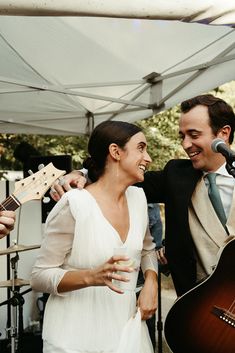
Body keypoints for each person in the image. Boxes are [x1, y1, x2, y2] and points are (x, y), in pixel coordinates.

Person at [50, 94, 235, 298]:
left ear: (223, 133)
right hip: (201, 309)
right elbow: (116, 176)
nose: (185, 144)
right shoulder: (176, 175)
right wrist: (79, 174)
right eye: (182, 136)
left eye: (194, 134)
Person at [31, 121, 158, 353]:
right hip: (74, 337)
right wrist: (90, 276)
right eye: (141, 148)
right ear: (115, 152)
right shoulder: (75, 204)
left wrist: (151, 281)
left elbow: (147, 249)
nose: (148, 157)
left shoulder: (138, 199)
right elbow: (39, 276)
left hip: (126, 332)